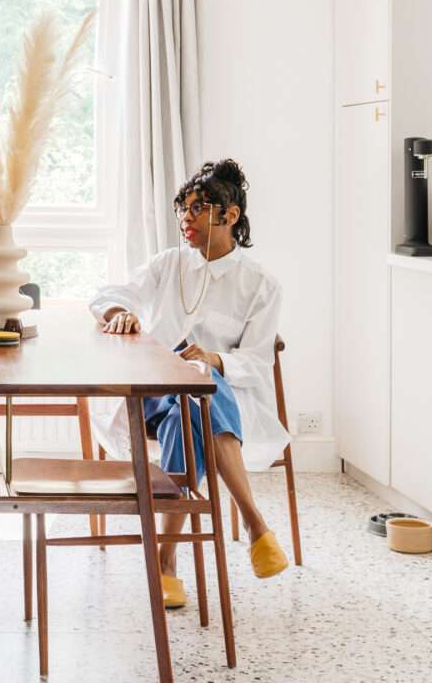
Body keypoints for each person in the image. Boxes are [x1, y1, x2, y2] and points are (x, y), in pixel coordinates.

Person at [90, 159, 290, 604]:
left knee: (197, 394)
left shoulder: (260, 284)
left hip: (221, 402)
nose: (185, 218)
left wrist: (214, 358)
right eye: (183, 208)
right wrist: (117, 314)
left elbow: (258, 362)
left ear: (230, 216)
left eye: (198, 209)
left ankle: (165, 561)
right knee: (190, 388)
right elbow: (108, 296)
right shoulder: (167, 264)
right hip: (155, 392)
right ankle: (254, 520)